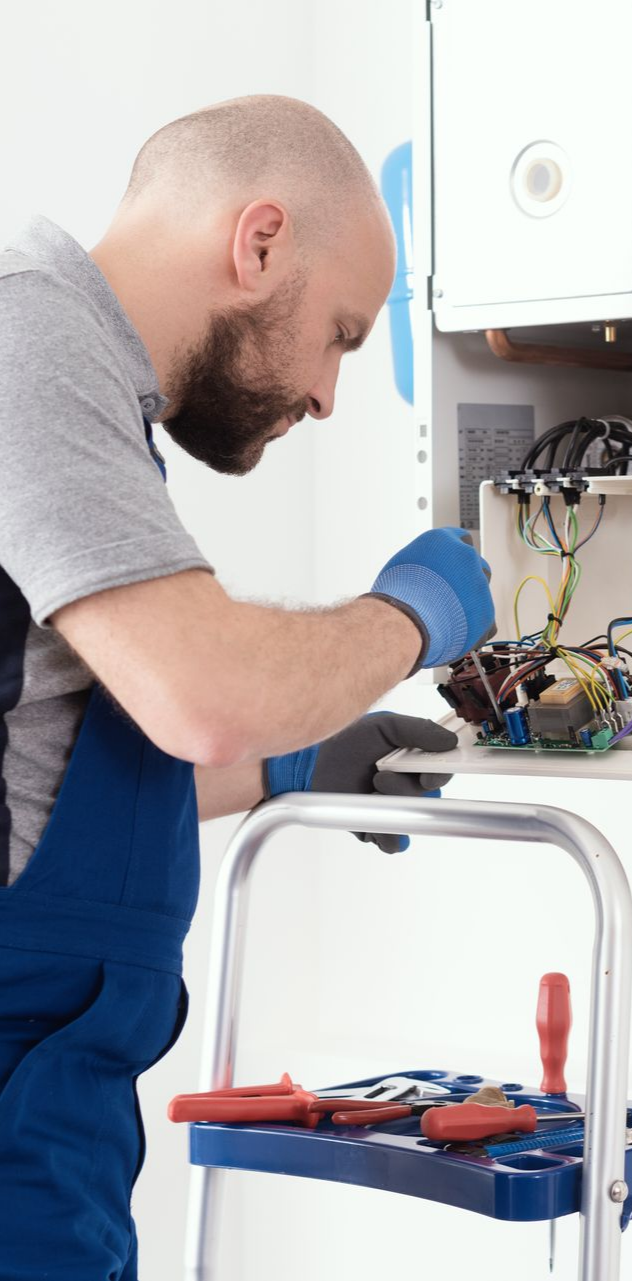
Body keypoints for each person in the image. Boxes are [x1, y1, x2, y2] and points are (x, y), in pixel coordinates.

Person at [0, 96, 493, 1279]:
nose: (328, 395)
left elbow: (50, 747)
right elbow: (204, 690)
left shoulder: (78, 384)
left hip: (46, 1103)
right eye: (341, 335)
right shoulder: (29, 337)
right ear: (258, 242)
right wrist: (410, 615)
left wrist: (287, 766)